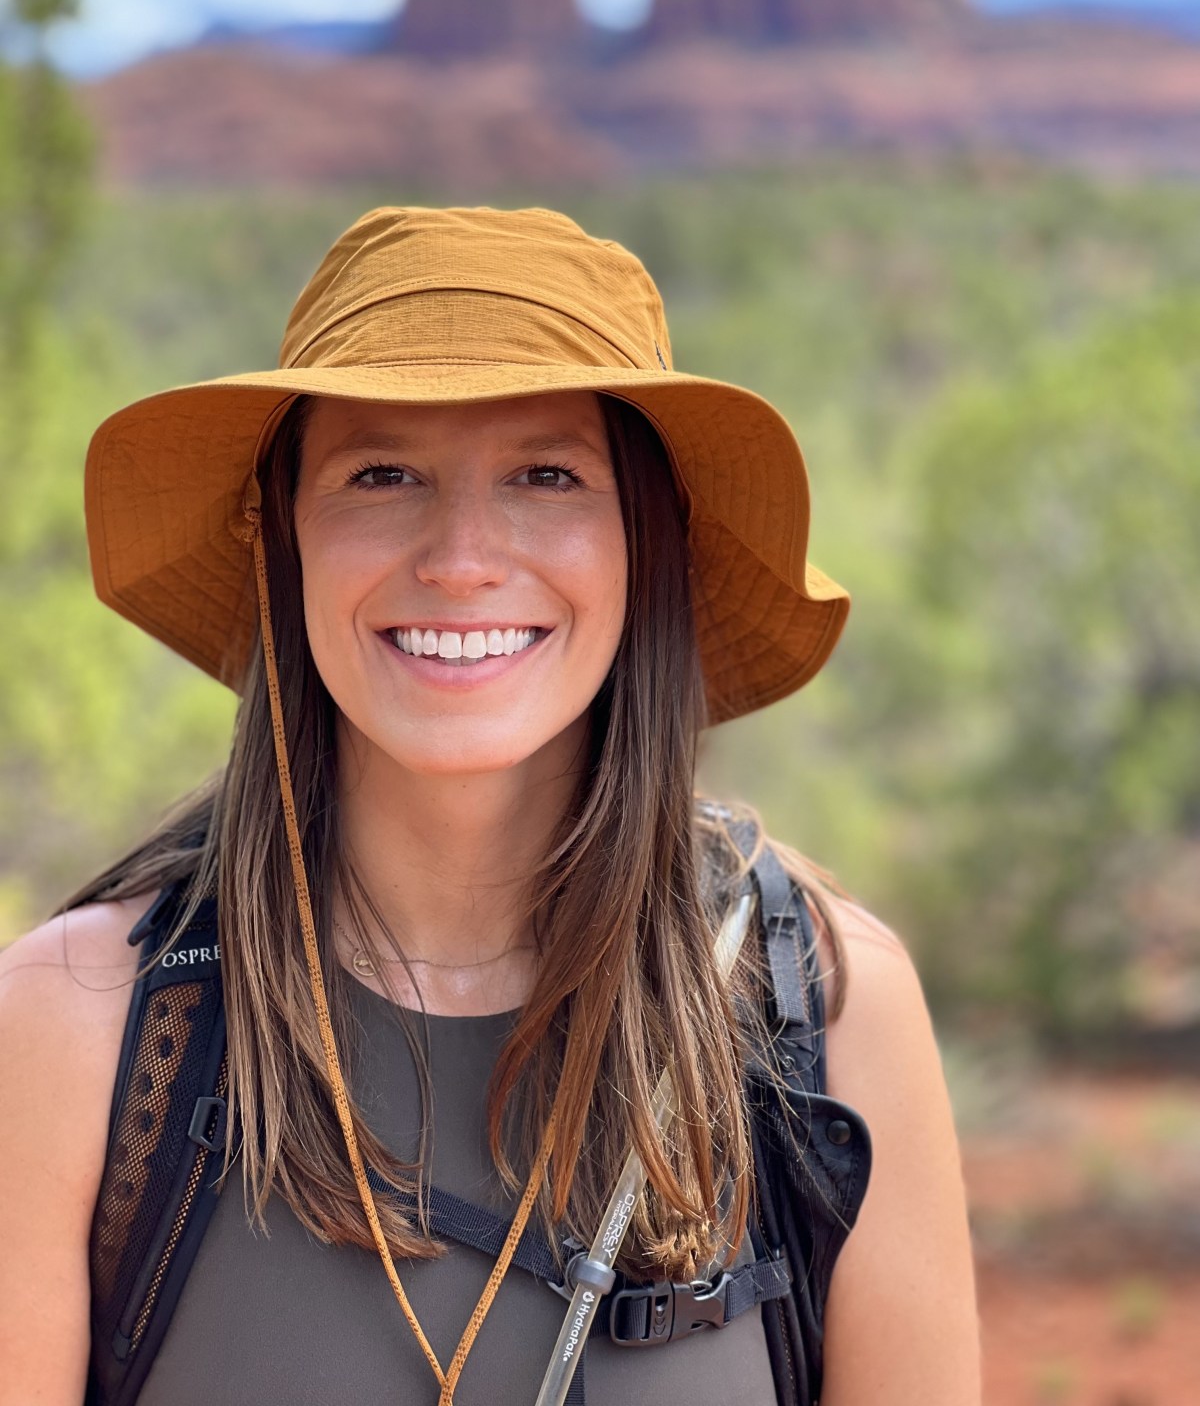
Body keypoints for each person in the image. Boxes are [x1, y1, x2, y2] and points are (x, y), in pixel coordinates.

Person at [0, 205, 981, 1404]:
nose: (461, 557)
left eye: (546, 474)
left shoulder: (825, 1012)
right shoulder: (75, 1029)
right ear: (282, 539)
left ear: (646, 542)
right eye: (381, 473)